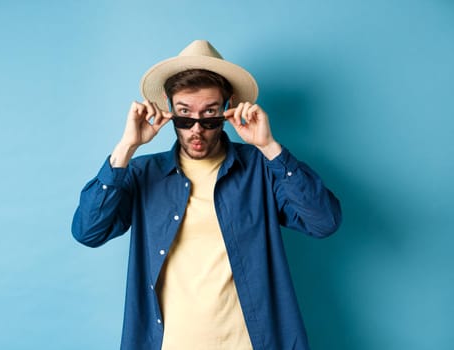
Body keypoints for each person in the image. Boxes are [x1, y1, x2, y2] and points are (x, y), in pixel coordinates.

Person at [71, 40, 342, 350]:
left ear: (227, 109)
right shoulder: (143, 173)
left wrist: (269, 147)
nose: (196, 130)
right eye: (185, 116)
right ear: (168, 109)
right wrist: (126, 148)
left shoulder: (261, 169)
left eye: (209, 115)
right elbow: (88, 231)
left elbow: (324, 222)